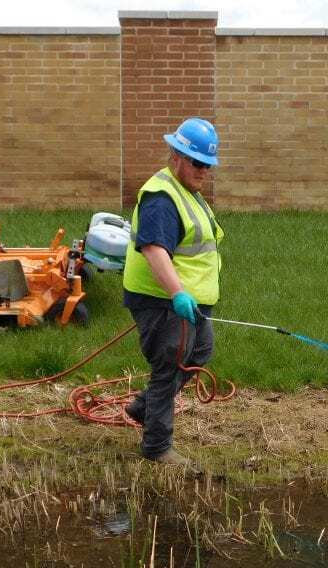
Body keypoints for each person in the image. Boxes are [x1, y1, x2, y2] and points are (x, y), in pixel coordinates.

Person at [122, 117, 224, 467]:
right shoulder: (161, 198)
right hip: (164, 301)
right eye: (197, 162)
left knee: (201, 351)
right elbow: (154, 250)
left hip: (189, 301)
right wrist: (178, 293)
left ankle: (144, 408)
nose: (203, 171)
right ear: (177, 156)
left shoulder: (188, 194)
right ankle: (157, 446)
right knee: (171, 364)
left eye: (208, 165)